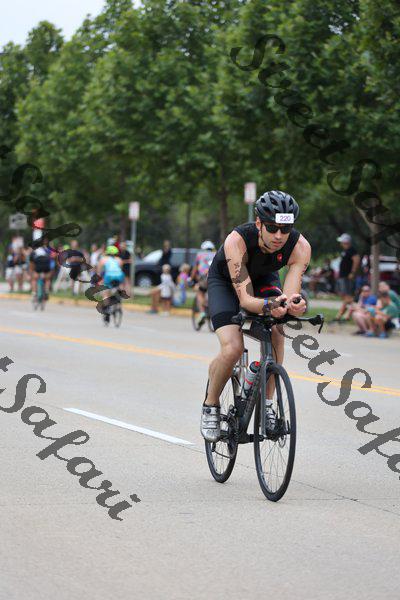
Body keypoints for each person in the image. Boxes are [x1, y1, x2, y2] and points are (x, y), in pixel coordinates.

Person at [201, 190, 310, 442]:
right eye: (272, 228)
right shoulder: (236, 241)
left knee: (277, 331)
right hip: (227, 283)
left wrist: (292, 305)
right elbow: (246, 300)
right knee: (232, 348)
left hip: (262, 279)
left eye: (286, 229)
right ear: (259, 223)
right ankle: (210, 404)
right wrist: (269, 305)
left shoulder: (300, 247)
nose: (279, 236)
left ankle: (268, 406)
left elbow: (289, 296)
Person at [332, 233, 360, 322]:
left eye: (342, 241)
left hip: (347, 276)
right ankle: (344, 314)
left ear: (346, 241)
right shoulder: (345, 251)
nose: (341, 243)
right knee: (345, 296)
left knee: (348, 297)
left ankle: (341, 315)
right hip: (342, 276)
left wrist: (352, 272)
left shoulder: (352, 250)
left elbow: (356, 260)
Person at [97, 246, 125, 323]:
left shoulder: (103, 259)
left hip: (109, 276)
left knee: (106, 293)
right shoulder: (119, 259)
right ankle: (119, 292)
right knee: (119, 284)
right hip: (119, 275)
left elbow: (99, 272)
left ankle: (106, 309)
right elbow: (120, 269)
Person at [191, 240, 216, 319]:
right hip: (215, 277)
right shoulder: (216, 254)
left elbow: (195, 269)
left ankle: (202, 313)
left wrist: (191, 278)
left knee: (200, 292)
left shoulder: (200, 255)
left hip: (204, 277)